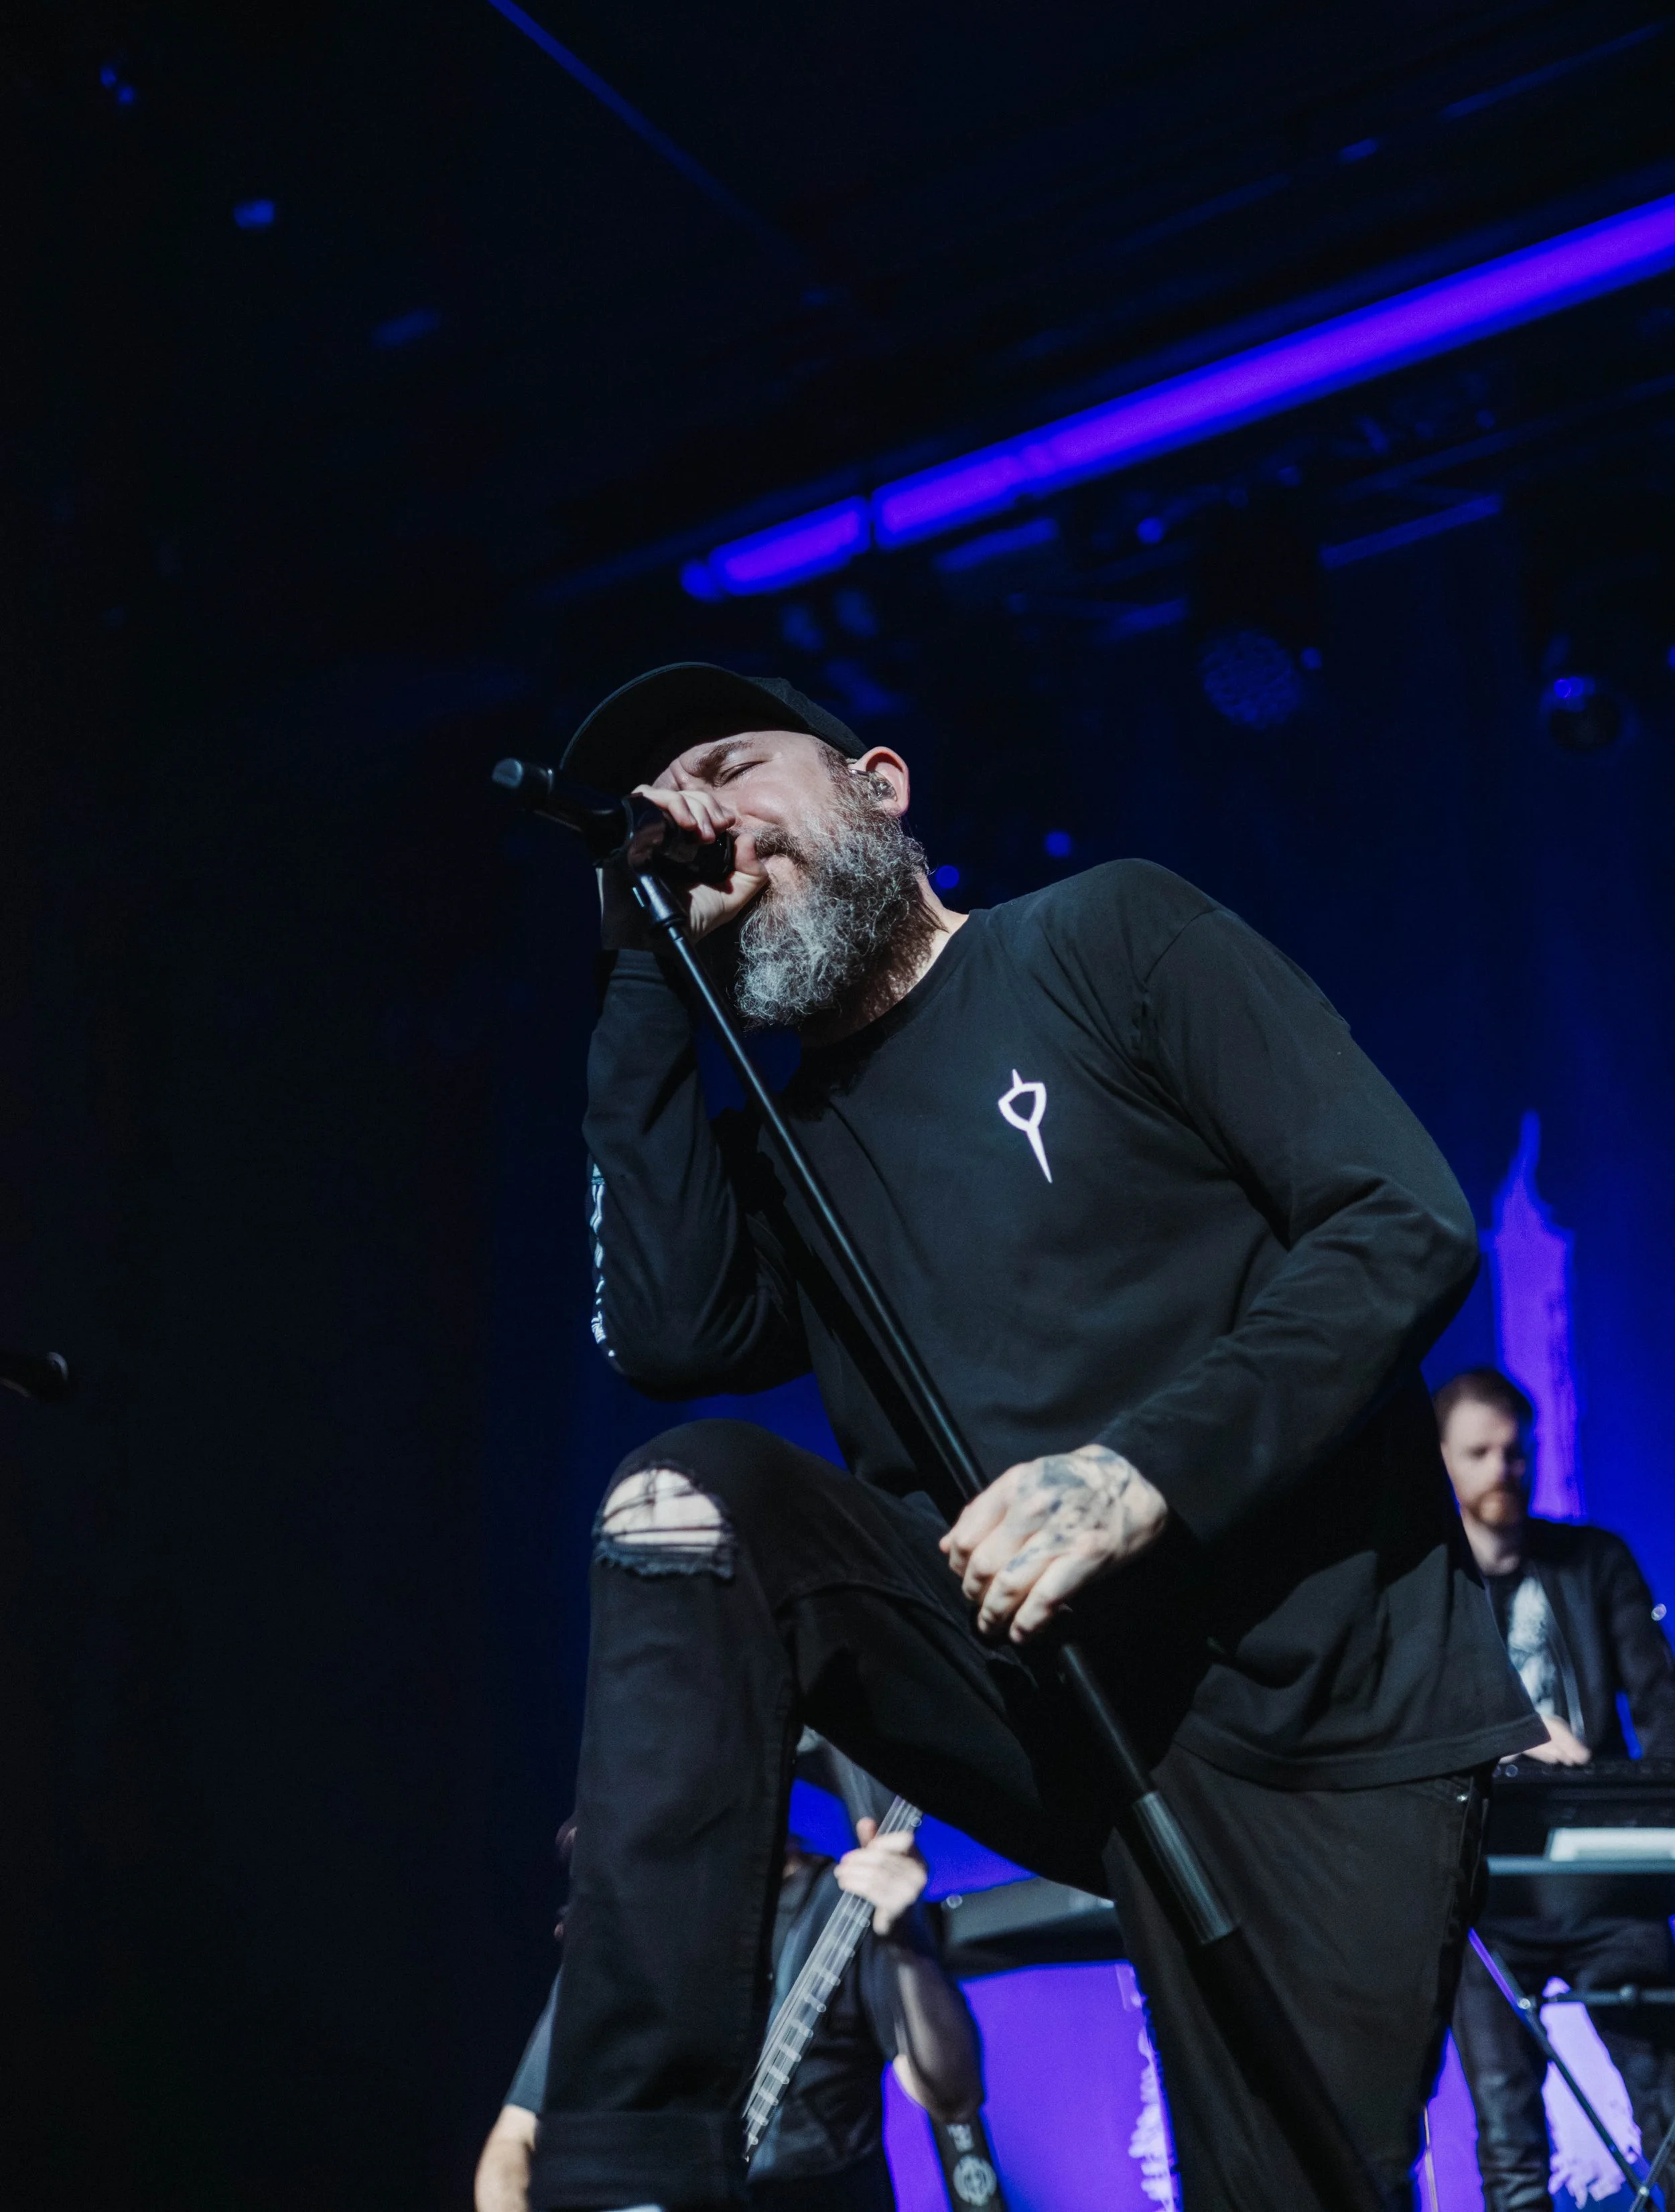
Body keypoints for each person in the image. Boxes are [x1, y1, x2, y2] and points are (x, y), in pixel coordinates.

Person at [536, 660, 1542, 2212]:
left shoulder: (1106, 934)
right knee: (690, 1503)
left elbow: (1397, 1214)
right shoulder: (783, 1150)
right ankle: (626, 2165)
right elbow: (666, 1332)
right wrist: (645, 972)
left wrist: (1139, 1470)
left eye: (732, 764)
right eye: (665, 808)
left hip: (1312, 1713)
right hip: (1037, 1689)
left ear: (882, 783)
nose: (701, 817)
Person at [1436, 1365, 1675, 2212]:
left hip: (1607, 1877)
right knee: (1508, 2138)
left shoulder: (1593, 1561)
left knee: (1667, 2108)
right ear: (1444, 1463)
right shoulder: (1430, 1588)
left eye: (1516, 1451)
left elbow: (1659, 1702)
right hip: (1489, 1890)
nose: (1503, 1469)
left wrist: (1654, 1832)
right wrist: (1523, 1735)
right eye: (1480, 1453)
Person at [478, 1814, 980, 2212]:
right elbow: (513, 2142)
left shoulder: (839, 1904)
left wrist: (906, 1936)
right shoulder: (633, 1937)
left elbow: (951, 2094)